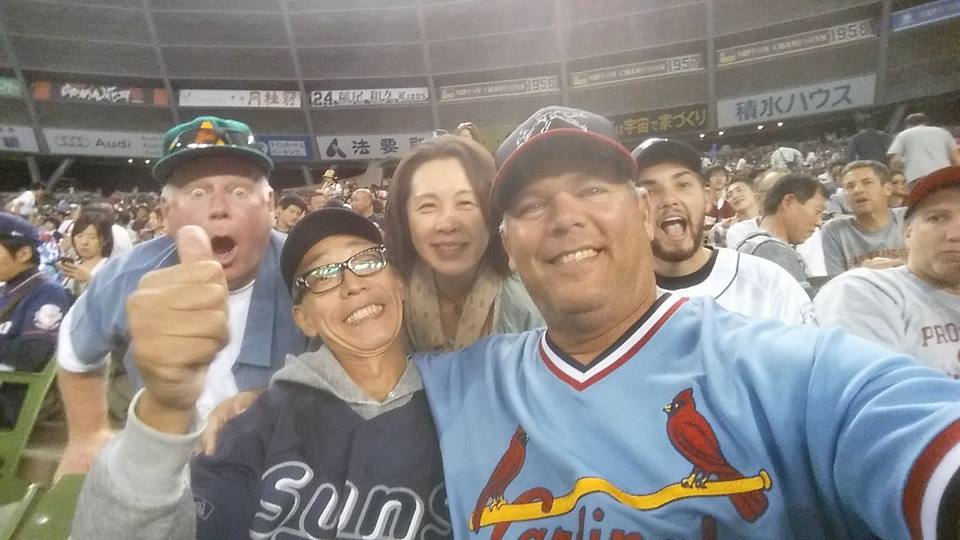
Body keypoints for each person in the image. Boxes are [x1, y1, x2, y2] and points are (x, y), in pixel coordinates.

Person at [416, 105, 960, 539]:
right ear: (509, 247)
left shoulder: (785, 368)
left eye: (591, 190)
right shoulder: (458, 383)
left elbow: (916, 436)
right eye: (532, 206)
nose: (565, 217)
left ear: (644, 213)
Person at [72, 211, 449, 539]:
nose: (352, 284)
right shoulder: (255, 425)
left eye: (366, 260)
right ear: (304, 319)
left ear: (399, 283)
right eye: (323, 275)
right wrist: (163, 410)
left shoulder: (462, 398)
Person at [54, 116, 308, 479]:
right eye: (197, 193)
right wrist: (86, 435)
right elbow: (74, 347)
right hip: (168, 468)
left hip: (285, 467)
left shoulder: (307, 270)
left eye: (239, 191)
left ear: (270, 205)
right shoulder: (128, 277)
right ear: (166, 213)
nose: (219, 207)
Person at [383, 135, 543, 352]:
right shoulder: (385, 301)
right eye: (428, 206)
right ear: (404, 218)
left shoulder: (533, 299)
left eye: (466, 203)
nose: (447, 224)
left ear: (494, 211)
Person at [631, 138, 813, 325]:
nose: (669, 200)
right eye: (649, 191)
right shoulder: (619, 304)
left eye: (683, 185)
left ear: (706, 198)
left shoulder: (769, 282)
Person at [815, 166, 960, 373]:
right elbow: (874, 388)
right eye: (937, 218)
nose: (955, 234)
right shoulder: (865, 291)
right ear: (908, 232)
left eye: (867, 182)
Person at [0, 213, 71, 427]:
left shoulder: (47, 293)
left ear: (23, 253)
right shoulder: (7, 290)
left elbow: (33, 353)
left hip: (12, 399)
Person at [726, 168, 827, 278]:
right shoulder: (767, 248)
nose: (819, 222)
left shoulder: (804, 233)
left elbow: (817, 278)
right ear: (788, 202)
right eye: (817, 211)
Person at [821, 160, 908, 275]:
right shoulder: (834, 230)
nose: (857, 190)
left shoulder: (908, 217)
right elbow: (836, 281)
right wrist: (863, 272)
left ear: (887, 189)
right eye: (850, 186)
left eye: (867, 183)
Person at [888, 112, 960, 186]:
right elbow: (956, 158)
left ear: (908, 125)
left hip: (917, 177)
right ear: (926, 123)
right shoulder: (943, 132)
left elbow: (895, 161)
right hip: (943, 175)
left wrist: (902, 173)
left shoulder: (903, 134)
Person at [59, 209, 113, 298]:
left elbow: (114, 298)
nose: (84, 242)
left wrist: (89, 279)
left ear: (105, 240)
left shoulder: (110, 267)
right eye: (79, 236)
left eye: (92, 237)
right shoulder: (75, 264)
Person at [711, 176, 760, 248]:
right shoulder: (721, 229)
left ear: (755, 194)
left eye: (739, 190)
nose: (735, 196)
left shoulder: (772, 222)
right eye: (730, 195)